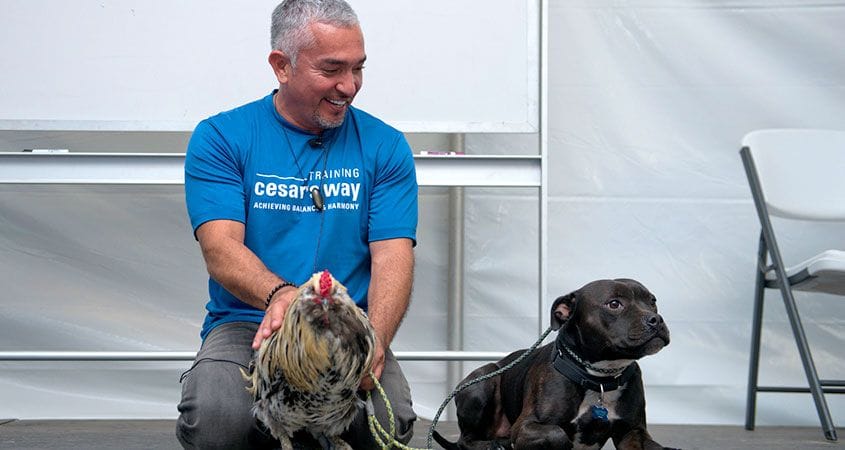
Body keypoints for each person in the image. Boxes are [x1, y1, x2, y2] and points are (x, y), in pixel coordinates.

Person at [175, 0, 419, 448]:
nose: (349, 86)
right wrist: (280, 295)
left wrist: (374, 341)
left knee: (390, 422)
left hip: (348, 325)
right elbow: (220, 247)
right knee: (215, 418)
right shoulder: (222, 137)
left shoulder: (386, 146)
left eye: (358, 69)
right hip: (250, 324)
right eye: (332, 70)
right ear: (281, 66)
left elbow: (393, 256)